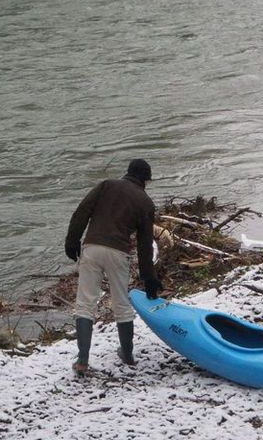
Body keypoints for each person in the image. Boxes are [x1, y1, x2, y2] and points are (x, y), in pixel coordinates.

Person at [65, 159, 163, 376]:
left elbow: (82, 212)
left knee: (85, 303)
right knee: (121, 304)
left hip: (92, 248)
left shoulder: (106, 185)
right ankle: (127, 355)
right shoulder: (145, 202)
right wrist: (149, 278)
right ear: (146, 180)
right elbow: (145, 244)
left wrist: (72, 241)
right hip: (119, 253)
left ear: (128, 172)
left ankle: (82, 360)